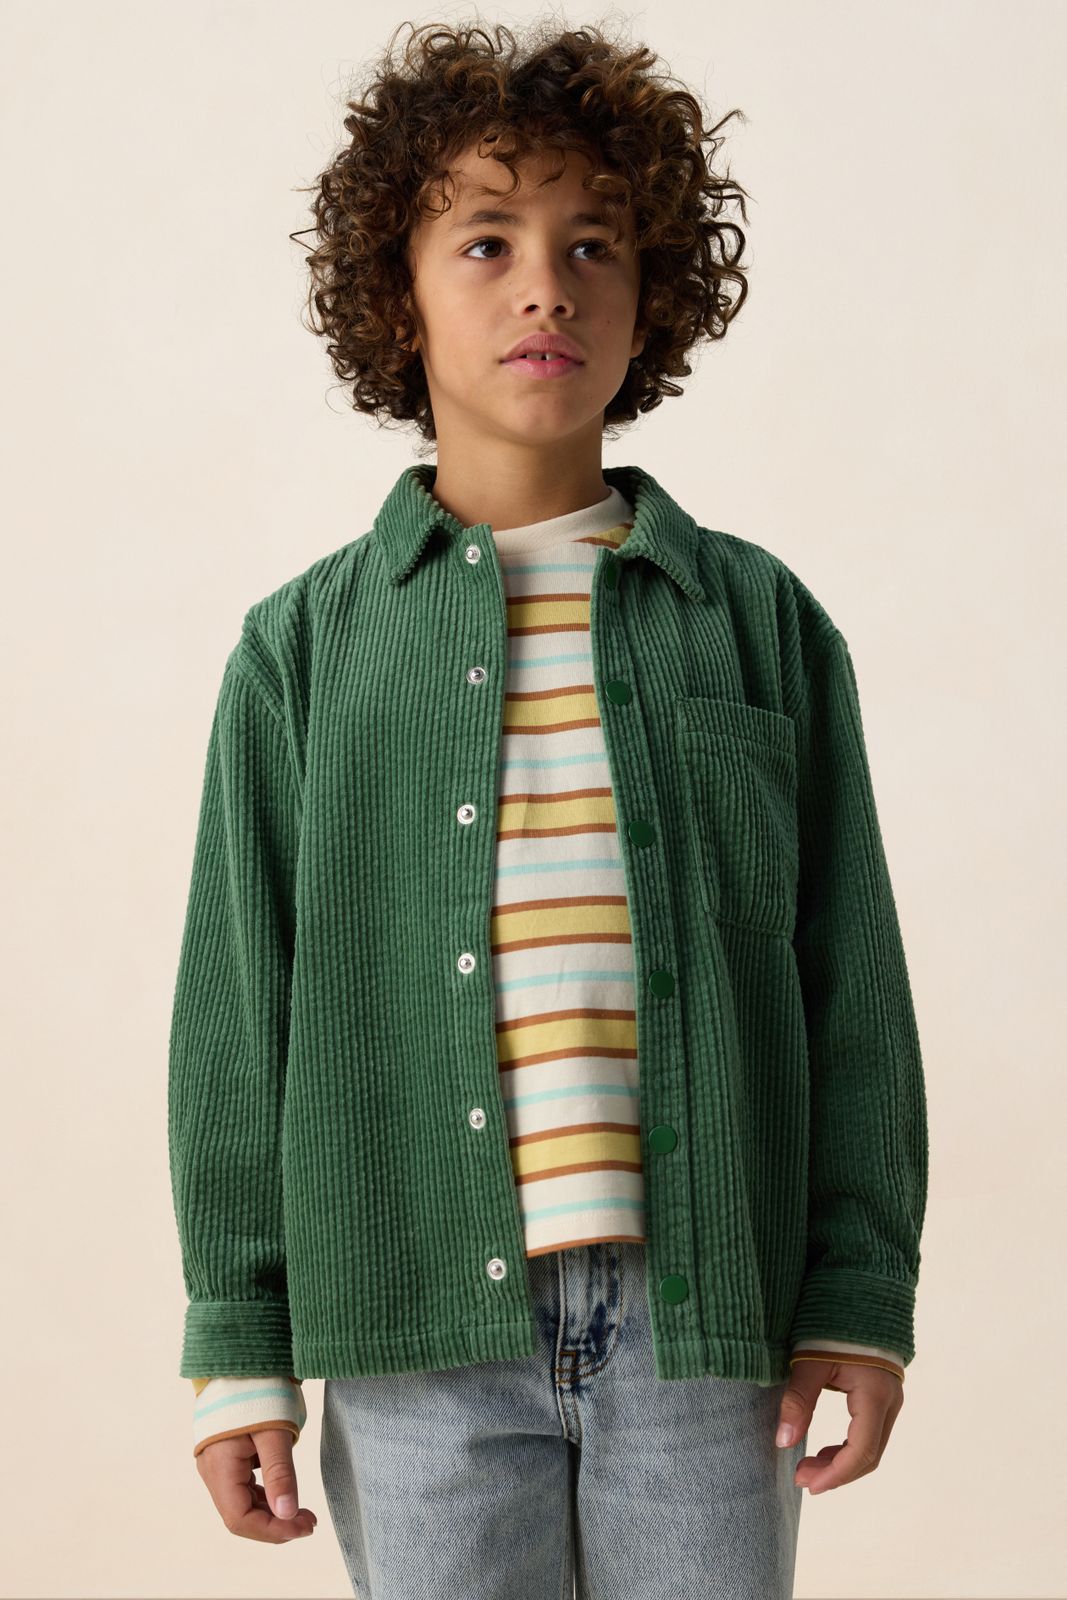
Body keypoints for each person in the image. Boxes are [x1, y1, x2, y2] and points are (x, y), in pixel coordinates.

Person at [168, 17, 928, 1598]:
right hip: (411, 1326)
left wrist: (857, 1293)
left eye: (596, 245)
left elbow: (852, 985)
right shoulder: (302, 651)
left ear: (654, 299)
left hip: (703, 1322)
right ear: (399, 295)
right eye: (488, 241)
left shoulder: (757, 626)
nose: (547, 286)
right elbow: (238, 1019)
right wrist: (239, 1344)